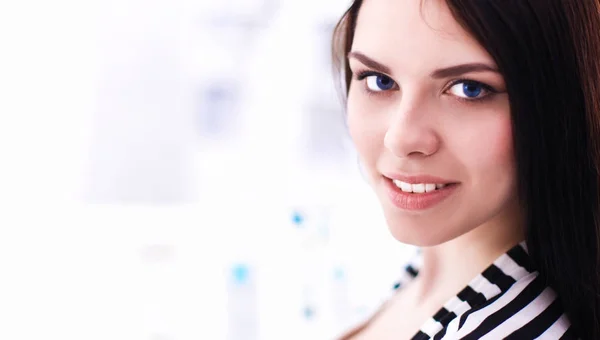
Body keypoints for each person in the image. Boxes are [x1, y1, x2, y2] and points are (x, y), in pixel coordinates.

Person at [331, 0, 600, 339]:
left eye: (469, 89)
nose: (401, 138)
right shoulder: (445, 270)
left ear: (559, 101)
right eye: (379, 80)